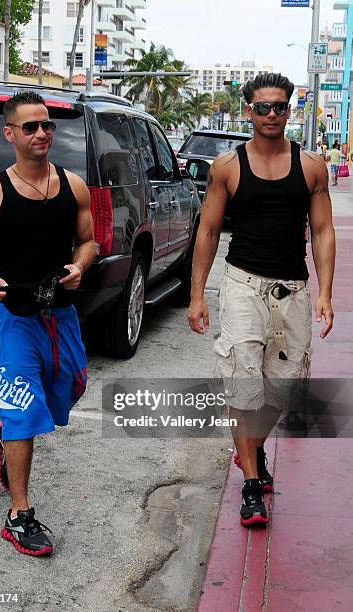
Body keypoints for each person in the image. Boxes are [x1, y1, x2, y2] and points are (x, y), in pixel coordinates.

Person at [187, 73, 335, 526]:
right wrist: (198, 294)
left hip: (292, 287)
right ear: (247, 111)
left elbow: (324, 231)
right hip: (242, 283)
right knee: (243, 374)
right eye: (262, 107)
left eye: (280, 107)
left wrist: (324, 293)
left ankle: (248, 448)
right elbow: (208, 231)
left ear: (290, 111)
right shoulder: (227, 167)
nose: (272, 115)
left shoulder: (311, 166)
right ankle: (252, 482)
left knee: (283, 387)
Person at [0, 91, 96, 556]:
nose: (42, 133)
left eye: (47, 125)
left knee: (68, 391)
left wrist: (80, 266)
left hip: (61, 316)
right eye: (31, 127)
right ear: (10, 134)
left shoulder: (73, 186)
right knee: (22, 414)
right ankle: (19, 515)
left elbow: (88, 241)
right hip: (14, 319)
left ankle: (5, 437)